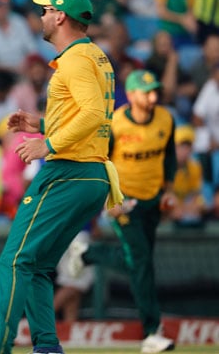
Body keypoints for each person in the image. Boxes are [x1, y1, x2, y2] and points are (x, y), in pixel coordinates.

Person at [0, 0, 121, 354]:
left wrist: (49, 144)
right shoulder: (96, 56)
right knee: (39, 266)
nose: (41, 16)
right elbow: (88, 113)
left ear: (60, 17)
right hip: (91, 176)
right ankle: (46, 347)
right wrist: (43, 124)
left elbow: (91, 114)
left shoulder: (75, 60)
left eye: (46, 10)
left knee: (14, 260)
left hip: (67, 172)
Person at [69, 69, 177, 354]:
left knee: (140, 262)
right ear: (130, 95)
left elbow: (169, 156)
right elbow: (100, 161)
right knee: (141, 262)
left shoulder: (166, 119)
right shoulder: (115, 125)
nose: (152, 97)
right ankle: (152, 332)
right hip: (124, 199)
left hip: (152, 199)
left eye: (155, 91)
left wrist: (169, 190)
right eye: (146, 92)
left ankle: (87, 254)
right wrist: (109, 200)